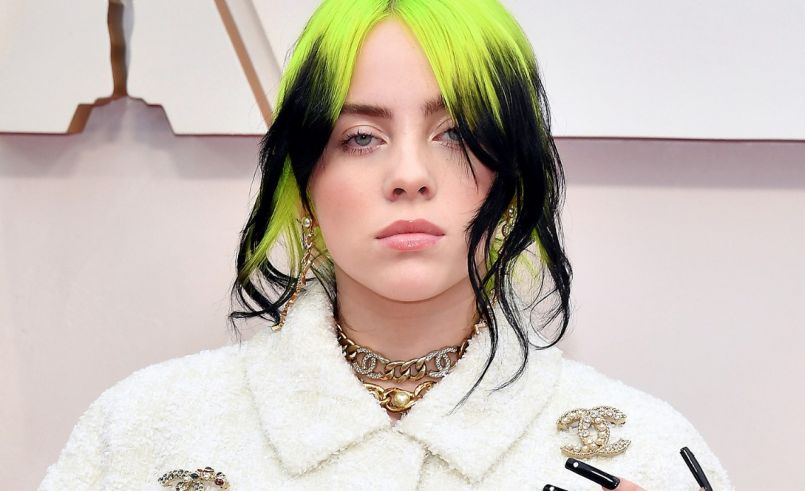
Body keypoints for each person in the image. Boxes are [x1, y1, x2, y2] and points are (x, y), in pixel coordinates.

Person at [40, 1, 733, 489]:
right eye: (360, 137)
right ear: (305, 181)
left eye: (456, 133)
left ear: (515, 171)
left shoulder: (644, 446)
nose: (407, 175)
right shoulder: (142, 432)